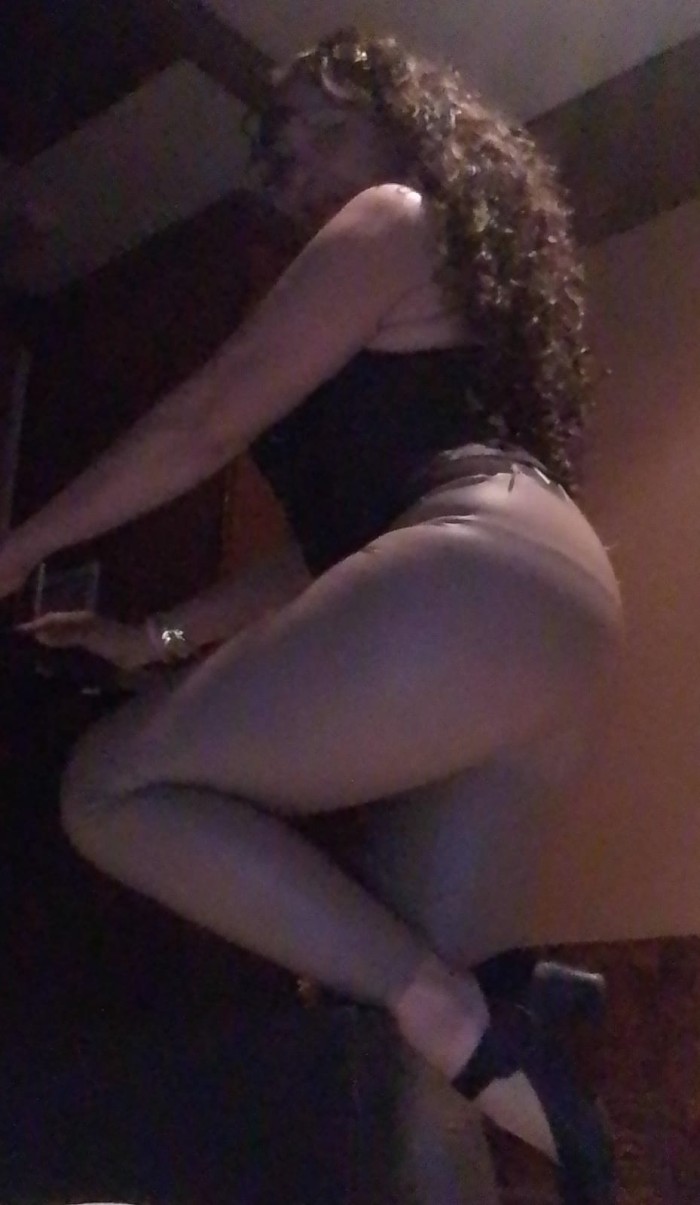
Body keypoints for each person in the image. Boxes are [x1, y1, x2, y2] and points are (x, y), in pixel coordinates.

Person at [0, 27, 622, 1203]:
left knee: (110, 787)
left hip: (472, 571)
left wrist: (18, 546)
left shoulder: (391, 218)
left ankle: (458, 1007)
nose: (296, 151)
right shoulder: (442, 294)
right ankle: (495, 1020)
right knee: (410, 1052)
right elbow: (321, 554)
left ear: (411, 136)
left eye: (329, 121)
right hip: (551, 608)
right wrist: (153, 637)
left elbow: (204, 421)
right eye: (281, 135)